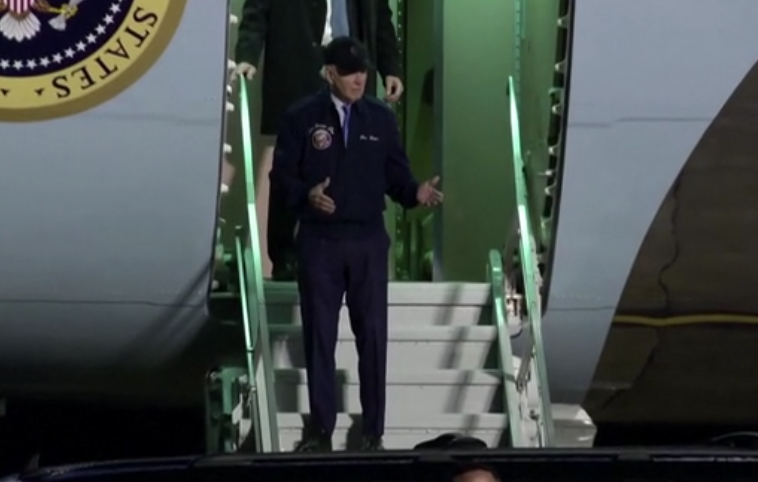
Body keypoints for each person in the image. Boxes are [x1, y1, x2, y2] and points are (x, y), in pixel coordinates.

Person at [269, 36, 441, 452]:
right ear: (330, 73)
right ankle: (321, 431)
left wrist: (415, 192)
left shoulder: (380, 118)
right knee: (320, 337)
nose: (359, 79)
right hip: (320, 242)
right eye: (349, 73)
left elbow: (396, 176)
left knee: (373, 337)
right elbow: (281, 178)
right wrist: (307, 195)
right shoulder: (301, 117)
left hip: (367, 241)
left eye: (362, 71)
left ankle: (373, 432)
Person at [235, 0, 405, 281]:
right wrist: (247, 55)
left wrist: (391, 68)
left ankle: (346, 256)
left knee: (351, 162)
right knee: (292, 163)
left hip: (350, 64)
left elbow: (380, 18)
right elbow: (257, 10)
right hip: (299, 63)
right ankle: (284, 256)